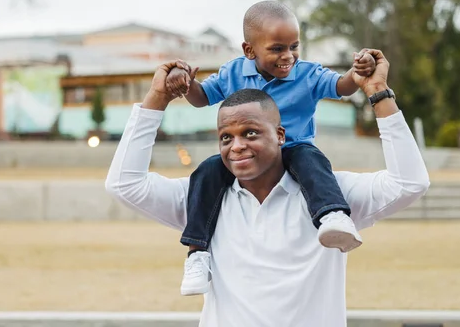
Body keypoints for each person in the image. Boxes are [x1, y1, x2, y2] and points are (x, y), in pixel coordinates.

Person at [105, 52, 429, 327]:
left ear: (281, 136)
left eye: (250, 133)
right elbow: (125, 184)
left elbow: (410, 183)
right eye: (226, 137)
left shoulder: (329, 194)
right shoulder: (205, 197)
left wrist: (378, 93)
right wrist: (157, 99)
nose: (237, 147)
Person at [165, 1, 376, 295]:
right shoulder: (232, 73)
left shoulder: (308, 73)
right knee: (207, 171)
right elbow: (203, 98)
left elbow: (342, 86)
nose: (288, 56)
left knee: (311, 160)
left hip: (293, 149)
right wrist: (186, 83)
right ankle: (197, 253)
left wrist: (357, 72)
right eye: (277, 48)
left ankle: (332, 216)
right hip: (248, 154)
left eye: (294, 46)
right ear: (249, 50)